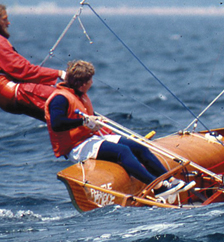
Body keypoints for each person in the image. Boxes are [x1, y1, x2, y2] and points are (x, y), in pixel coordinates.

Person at [44, 60, 189, 201]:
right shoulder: (60, 99)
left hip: (90, 138)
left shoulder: (78, 94)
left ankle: (168, 179)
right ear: (82, 85)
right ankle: (158, 187)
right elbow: (57, 124)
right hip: (76, 146)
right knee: (122, 152)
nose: (92, 83)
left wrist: (96, 122)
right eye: (90, 81)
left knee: (137, 146)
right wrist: (84, 121)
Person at [0, 1, 64, 122]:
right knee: (65, 97)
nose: (8, 23)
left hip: (7, 98)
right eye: (4, 20)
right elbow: (24, 70)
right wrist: (59, 74)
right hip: (14, 93)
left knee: (54, 115)